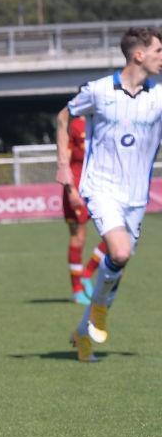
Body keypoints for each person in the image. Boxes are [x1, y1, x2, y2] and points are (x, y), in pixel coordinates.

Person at [57, 27, 162, 362]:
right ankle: (98, 311)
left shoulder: (158, 94)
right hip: (101, 188)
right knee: (119, 252)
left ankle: (83, 332)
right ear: (139, 55)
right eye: (159, 51)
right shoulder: (99, 91)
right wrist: (62, 165)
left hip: (135, 196)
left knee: (117, 263)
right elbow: (63, 115)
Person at [54, 111, 108, 305]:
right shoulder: (75, 126)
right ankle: (77, 290)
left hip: (100, 186)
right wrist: (70, 190)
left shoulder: (105, 122)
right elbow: (65, 159)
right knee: (78, 238)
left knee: (117, 234)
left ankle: (86, 274)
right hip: (77, 187)